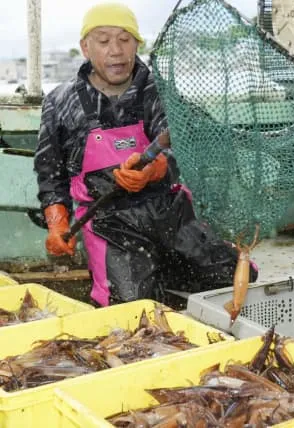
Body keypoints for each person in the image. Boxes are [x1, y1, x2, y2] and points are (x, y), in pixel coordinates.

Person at [34, 2, 258, 307]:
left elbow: (187, 146)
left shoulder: (159, 90)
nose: (116, 50)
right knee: (129, 308)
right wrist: (58, 222)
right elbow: (50, 172)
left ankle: (167, 281)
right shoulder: (60, 102)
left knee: (232, 275)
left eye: (125, 40)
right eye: (103, 40)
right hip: (110, 221)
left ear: (137, 45)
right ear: (85, 48)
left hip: (169, 210)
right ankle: (148, 285)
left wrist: (158, 168)